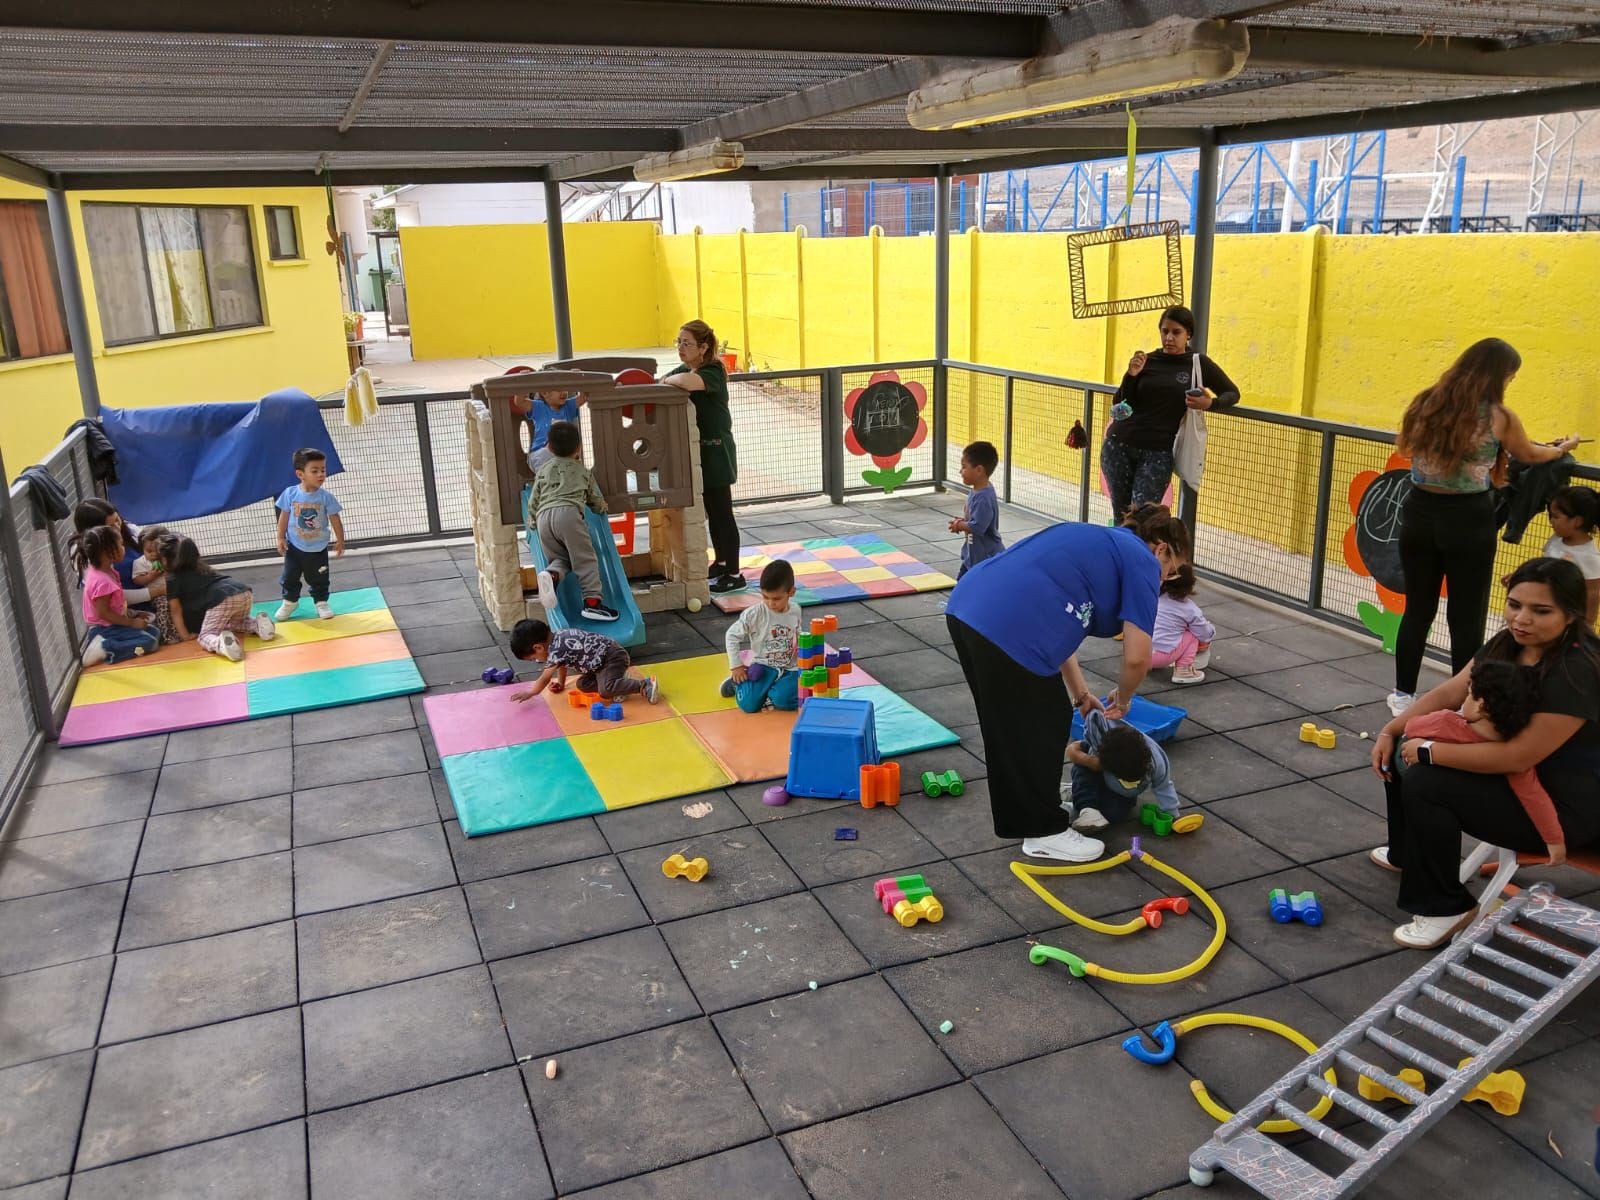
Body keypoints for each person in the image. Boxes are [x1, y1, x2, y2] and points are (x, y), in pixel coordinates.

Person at [1370, 558, 1600, 949]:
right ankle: (1408, 854)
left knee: (1427, 779)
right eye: (1515, 605)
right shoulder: (1510, 641)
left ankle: (1444, 907)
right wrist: (1391, 730)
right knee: (1398, 750)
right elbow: (1453, 690)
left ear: (1572, 613)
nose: (1521, 619)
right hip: (1517, 777)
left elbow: (1517, 758)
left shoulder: (1578, 670)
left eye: (1541, 611)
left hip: (1562, 807)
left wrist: (1430, 751)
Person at [945, 502, 1191, 862]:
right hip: (1006, 623)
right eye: (1171, 570)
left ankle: (1035, 808)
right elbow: (1138, 657)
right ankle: (1043, 830)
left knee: (1020, 723)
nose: (1166, 579)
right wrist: (1123, 699)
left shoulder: (1104, 543)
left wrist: (1081, 694)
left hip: (969, 606)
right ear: (1161, 550)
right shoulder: (1142, 560)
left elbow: (1062, 630)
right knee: (1041, 724)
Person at [1388, 338, 1579, 717]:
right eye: (1509, 377)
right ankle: (1466, 700)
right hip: (1468, 518)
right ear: (1499, 375)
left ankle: (1403, 695)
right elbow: (1528, 454)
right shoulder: (1498, 416)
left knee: (1417, 610)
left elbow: (1406, 449)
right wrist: (1561, 448)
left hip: (1419, 513)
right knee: (1466, 615)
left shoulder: (1426, 402)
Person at [1402, 658, 1563, 864]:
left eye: (1469, 694)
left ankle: (1405, 854)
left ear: (1481, 705)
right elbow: (1534, 797)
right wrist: (1555, 842)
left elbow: (1411, 727)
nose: (1465, 700)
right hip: (1488, 808)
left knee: (1410, 772)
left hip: (1433, 789)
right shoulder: (1512, 755)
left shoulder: (1446, 723)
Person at [1101, 305, 1240, 521]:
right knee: (1121, 517)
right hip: (1119, 446)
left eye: (1176, 332)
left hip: (1157, 453)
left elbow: (1232, 393)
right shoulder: (1146, 361)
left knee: (1143, 519)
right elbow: (1120, 405)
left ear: (1188, 334)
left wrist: (1210, 403)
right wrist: (1131, 375)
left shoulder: (1197, 363)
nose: (1169, 338)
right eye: (1165, 331)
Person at [660, 320, 743, 595]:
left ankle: (734, 573)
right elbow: (662, 380)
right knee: (712, 512)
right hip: (702, 453)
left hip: (717, 451)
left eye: (687, 343)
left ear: (703, 347)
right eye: (679, 342)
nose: (681, 348)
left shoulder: (713, 370)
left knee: (723, 513)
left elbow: (684, 382)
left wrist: (670, 380)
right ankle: (721, 562)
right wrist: (667, 380)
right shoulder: (688, 368)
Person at [531, 420, 615, 622]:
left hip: (543, 518)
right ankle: (592, 603)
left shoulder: (544, 470)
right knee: (585, 559)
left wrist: (532, 520)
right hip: (568, 516)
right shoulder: (582, 471)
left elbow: (534, 498)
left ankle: (552, 575)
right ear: (578, 448)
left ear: (549, 448)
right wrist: (602, 507)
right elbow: (594, 499)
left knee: (561, 559)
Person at [1061, 709, 1183, 832]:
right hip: (1099, 776)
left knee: (1113, 814)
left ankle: (1078, 793)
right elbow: (1071, 750)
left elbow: (1164, 786)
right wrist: (1092, 762)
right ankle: (1087, 808)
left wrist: (1173, 814)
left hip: (1122, 793)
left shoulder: (1157, 762)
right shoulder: (1102, 745)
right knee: (1083, 767)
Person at [160, 534, 276, 662]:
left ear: (165, 560)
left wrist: (185, 636)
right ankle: (257, 624)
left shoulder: (173, 578)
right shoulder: (202, 568)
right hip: (243, 592)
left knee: (205, 636)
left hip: (222, 599)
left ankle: (221, 644)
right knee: (233, 624)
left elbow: (175, 610)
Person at [508, 618, 659, 704]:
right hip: (600, 664)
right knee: (583, 684)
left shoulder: (556, 649)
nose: (537, 660)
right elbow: (561, 665)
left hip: (612, 657)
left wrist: (532, 692)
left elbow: (545, 677)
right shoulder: (557, 637)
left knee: (606, 691)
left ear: (538, 647)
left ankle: (644, 685)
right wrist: (561, 683)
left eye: (534, 658)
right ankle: (619, 683)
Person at [720, 559, 802, 712]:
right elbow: (731, 636)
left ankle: (772, 692)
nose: (770, 603)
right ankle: (738, 683)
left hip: (790, 668)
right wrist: (736, 666)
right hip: (764, 666)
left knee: (784, 701)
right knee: (748, 705)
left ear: (791, 592)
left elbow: (797, 633)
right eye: (765, 597)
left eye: (776, 598)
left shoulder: (796, 610)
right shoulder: (754, 614)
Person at [274, 447, 345, 621]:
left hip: (317, 548)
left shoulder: (326, 497)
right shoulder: (290, 494)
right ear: (300, 474)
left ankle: (321, 602)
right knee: (289, 576)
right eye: (315, 471)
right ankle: (289, 602)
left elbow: (335, 519)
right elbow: (284, 516)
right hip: (294, 547)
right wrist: (280, 537)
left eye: (323, 470)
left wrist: (340, 540)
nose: (321, 475)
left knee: (319, 577)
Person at [73, 525, 159, 666]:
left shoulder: (107, 571)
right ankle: (105, 648)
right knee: (150, 641)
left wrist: (133, 616)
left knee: (154, 632)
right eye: (121, 545)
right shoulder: (102, 581)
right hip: (105, 629)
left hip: (114, 624)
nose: (124, 548)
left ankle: (110, 644)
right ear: (109, 552)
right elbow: (103, 613)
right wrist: (131, 623)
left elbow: (115, 606)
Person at [506, 363, 587, 475]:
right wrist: (524, 381)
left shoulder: (568, 406)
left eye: (565, 387)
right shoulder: (539, 407)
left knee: (573, 457)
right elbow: (519, 402)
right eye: (558, 389)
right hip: (541, 453)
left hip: (563, 454)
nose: (563, 392)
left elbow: (583, 397)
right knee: (551, 457)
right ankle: (546, 481)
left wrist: (578, 378)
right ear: (544, 393)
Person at [1541, 484, 1600, 627]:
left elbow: (1592, 597)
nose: (1551, 521)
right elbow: (1542, 568)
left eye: (1556, 516)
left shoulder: (1590, 558)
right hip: (1542, 611)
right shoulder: (1555, 540)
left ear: (1577, 521)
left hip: (1564, 623)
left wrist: (1585, 631)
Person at [1151, 563, 1215, 684]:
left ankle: (1144, 666)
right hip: (1160, 657)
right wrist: (1211, 630)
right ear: (1190, 585)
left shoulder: (1154, 599)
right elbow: (1204, 634)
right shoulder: (1189, 609)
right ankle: (1183, 671)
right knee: (1193, 634)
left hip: (1137, 653)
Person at [949, 440, 1003, 577]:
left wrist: (960, 525)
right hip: (972, 557)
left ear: (979, 470)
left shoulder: (983, 498)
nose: (960, 471)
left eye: (964, 467)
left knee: (969, 585)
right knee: (963, 584)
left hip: (985, 559)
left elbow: (978, 527)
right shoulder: (976, 491)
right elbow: (975, 519)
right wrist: (962, 522)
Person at [131, 524, 181, 644]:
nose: (153, 554)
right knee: (164, 606)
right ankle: (167, 635)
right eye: (149, 551)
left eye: (158, 551)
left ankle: (182, 630)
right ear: (142, 549)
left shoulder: (168, 559)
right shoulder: (140, 562)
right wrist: (151, 576)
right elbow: (137, 580)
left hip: (174, 590)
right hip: (157, 595)